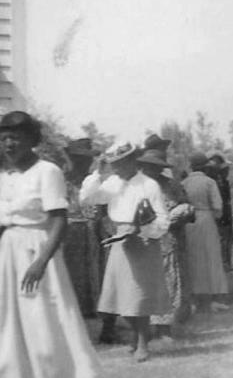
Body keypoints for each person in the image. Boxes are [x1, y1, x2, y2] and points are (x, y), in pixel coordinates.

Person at [0, 112, 103, 378]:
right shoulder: (3, 175)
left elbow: (59, 220)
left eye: (16, 136)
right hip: (7, 255)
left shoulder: (48, 171)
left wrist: (42, 260)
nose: (9, 142)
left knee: (55, 327)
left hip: (39, 255)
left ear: (33, 139)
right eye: (3, 136)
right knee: (7, 333)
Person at [81, 142, 171, 363]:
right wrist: (98, 172)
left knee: (138, 294)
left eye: (120, 163)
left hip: (142, 238)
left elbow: (162, 219)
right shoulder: (112, 183)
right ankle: (137, 336)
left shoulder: (149, 185)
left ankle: (142, 342)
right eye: (113, 164)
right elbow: (88, 199)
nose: (117, 168)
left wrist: (143, 230)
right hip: (119, 239)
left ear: (132, 161)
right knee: (120, 294)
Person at [139, 149, 195, 337]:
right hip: (145, 240)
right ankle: (144, 330)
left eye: (156, 167)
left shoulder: (172, 186)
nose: (152, 170)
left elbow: (188, 207)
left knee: (169, 284)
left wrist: (182, 213)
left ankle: (164, 328)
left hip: (169, 241)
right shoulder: (137, 187)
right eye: (148, 167)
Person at [61, 138, 104, 318]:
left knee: (92, 267)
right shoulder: (64, 180)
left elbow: (102, 205)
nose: (83, 163)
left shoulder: (93, 181)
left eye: (86, 159)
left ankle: (90, 307)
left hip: (91, 228)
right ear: (71, 158)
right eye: (78, 159)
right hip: (68, 229)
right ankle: (72, 307)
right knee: (71, 269)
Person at [182, 153, 229, 312]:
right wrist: (215, 216)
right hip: (206, 219)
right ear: (205, 166)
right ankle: (214, 298)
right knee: (212, 257)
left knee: (192, 257)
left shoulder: (184, 183)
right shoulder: (209, 182)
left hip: (189, 220)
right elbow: (218, 206)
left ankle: (194, 299)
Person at [207, 153, 233, 272]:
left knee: (228, 239)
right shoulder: (212, 182)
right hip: (218, 215)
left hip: (226, 214)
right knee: (221, 240)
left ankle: (227, 263)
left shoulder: (224, 182)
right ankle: (223, 264)